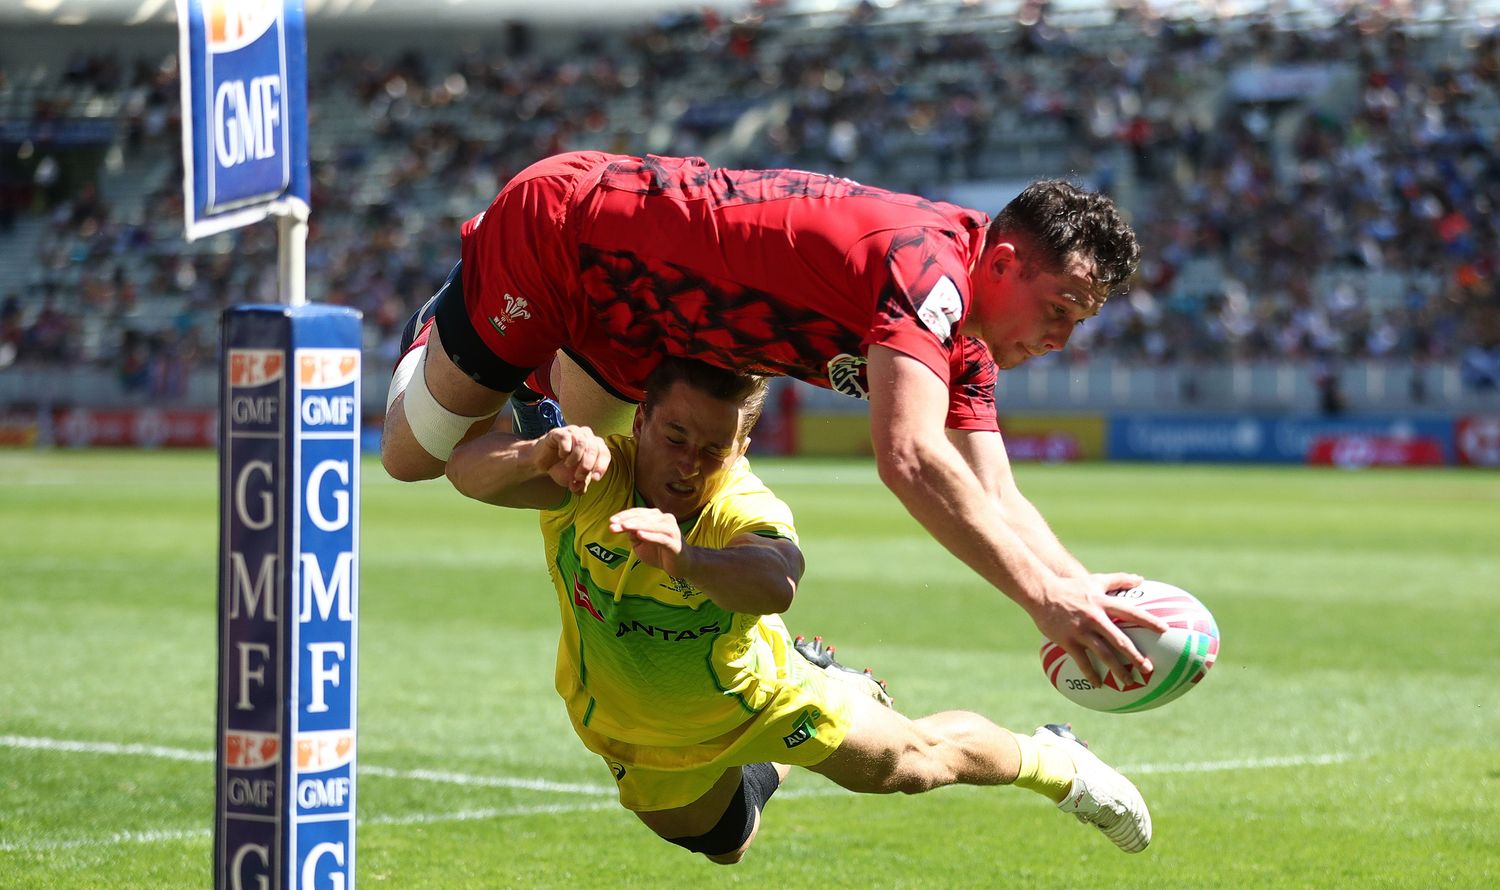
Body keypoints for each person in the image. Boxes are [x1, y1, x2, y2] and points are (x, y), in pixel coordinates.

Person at [384, 151, 1165, 689]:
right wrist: (1041, 601)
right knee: (412, 459)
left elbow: (994, 492)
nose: (1062, 338)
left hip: (641, 323)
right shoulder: (928, 274)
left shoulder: (967, 340)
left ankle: (523, 374)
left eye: (1080, 320)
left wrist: (1075, 583)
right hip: (562, 232)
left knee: (605, 502)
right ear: (1001, 264)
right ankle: (445, 323)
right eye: (1059, 308)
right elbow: (912, 458)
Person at [446, 356, 1152, 862]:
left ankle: (1055, 762)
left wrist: (687, 560)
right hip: (638, 732)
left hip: (762, 696)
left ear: (742, 448)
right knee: (724, 843)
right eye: (675, 438)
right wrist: (536, 453)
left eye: (714, 449)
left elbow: (775, 579)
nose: (689, 464)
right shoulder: (592, 473)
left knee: (912, 764)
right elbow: (462, 471)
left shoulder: (740, 503)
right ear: (644, 420)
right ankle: (831, 688)